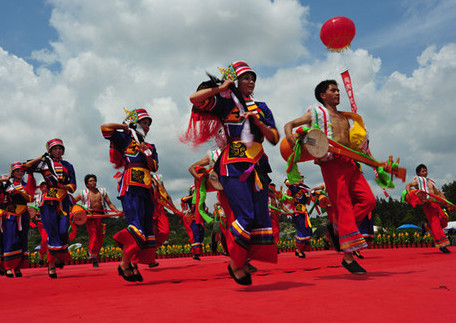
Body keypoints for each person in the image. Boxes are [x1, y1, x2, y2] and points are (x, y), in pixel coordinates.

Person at [188, 61, 280, 285]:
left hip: (258, 164)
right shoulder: (224, 104)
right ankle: (235, 262)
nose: (250, 82)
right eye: (246, 78)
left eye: (253, 79)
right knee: (245, 214)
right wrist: (222, 88)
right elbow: (195, 99)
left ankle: (242, 258)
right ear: (236, 81)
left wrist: (258, 121)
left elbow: (275, 139)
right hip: (232, 163)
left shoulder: (262, 106)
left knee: (260, 216)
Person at [284, 80, 376, 274]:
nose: (337, 93)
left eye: (338, 90)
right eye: (333, 90)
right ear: (322, 96)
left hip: (350, 163)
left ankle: (338, 225)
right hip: (331, 164)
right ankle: (348, 258)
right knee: (343, 205)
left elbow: (350, 144)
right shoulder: (317, 114)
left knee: (369, 201)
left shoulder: (345, 118)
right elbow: (290, 124)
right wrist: (291, 136)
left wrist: (370, 159)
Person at [101, 108, 158, 282]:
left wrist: (146, 154)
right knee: (136, 227)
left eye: (148, 124)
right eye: (144, 123)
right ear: (135, 123)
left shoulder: (151, 146)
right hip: (131, 187)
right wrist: (124, 127)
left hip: (146, 188)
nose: (147, 127)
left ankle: (132, 263)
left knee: (146, 228)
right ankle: (124, 264)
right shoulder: (124, 138)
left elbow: (154, 167)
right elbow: (105, 128)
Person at [25, 139, 76, 278]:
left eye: (60, 148)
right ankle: (51, 264)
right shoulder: (44, 164)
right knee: (52, 232)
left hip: (64, 199)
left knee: (63, 230)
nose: (58, 151)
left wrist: (65, 187)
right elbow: (26, 166)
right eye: (55, 149)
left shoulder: (68, 165)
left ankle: (60, 257)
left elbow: (73, 185)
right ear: (50, 151)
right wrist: (42, 157)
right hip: (48, 201)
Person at [74, 174, 119, 267]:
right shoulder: (83, 193)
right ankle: (94, 258)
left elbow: (110, 203)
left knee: (101, 237)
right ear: (87, 184)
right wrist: (76, 212)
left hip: (101, 217)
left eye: (94, 180)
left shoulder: (102, 191)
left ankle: (92, 252)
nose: (93, 182)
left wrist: (117, 212)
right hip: (90, 218)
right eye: (90, 181)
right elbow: (73, 202)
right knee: (93, 235)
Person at [405, 164, 451, 253]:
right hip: (428, 205)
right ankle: (442, 245)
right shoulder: (418, 180)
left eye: (426, 171)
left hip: (436, 204)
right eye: (423, 171)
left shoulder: (431, 181)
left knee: (444, 220)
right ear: (418, 173)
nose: (425, 173)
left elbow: (439, 193)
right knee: (436, 223)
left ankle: (427, 226)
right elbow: (408, 185)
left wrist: (447, 203)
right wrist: (410, 194)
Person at [0, 163, 32, 278]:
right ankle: (8, 266)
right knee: (11, 239)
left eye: (22, 171)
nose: (20, 173)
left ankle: (17, 267)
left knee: (22, 239)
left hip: (23, 213)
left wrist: (19, 192)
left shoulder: (25, 184)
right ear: (12, 172)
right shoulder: (6, 183)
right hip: (11, 213)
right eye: (17, 171)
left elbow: (30, 198)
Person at [285, 178, 313, 258]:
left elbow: (308, 202)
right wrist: (294, 183)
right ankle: (299, 250)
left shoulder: (305, 189)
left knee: (308, 230)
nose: (301, 180)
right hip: (298, 213)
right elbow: (286, 182)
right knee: (302, 230)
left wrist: (310, 196)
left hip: (304, 212)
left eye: (302, 178)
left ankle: (300, 249)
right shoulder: (295, 188)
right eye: (299, 178)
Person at [31, 182, 49, 266]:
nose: (43, 188)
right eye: (42, 187)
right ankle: (42, 256)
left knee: (51, 239)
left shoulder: (51, 195)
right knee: (45, 239)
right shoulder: (36, 197)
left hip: (50, 221)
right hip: (41, 222)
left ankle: (51, 259)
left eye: (45, 187)